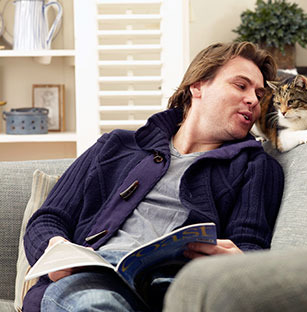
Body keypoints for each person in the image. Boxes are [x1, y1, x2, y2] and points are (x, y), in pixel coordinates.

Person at [23, 41, 284, 312]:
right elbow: (48, 219)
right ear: (198, 86)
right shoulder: (115, 146)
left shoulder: (257, 166)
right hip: (91, 279)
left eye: (259, 93)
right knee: (96, 304)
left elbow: (251, 247)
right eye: (240, 86)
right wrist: (57, 252)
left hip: (170, 290)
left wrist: (238, 260)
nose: (253, 100)